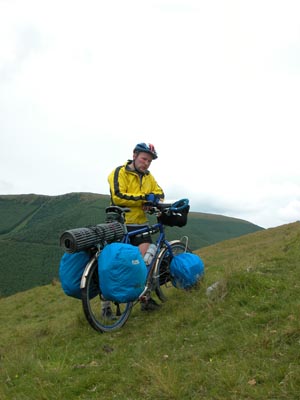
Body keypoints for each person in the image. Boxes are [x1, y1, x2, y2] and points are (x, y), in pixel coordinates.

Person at [102, 142, 165, 315]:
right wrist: (144, 199)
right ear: (135, 155)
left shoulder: (148, 177)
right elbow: (119, 196)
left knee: (147, 261)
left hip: (140, 224)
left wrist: (153, 200)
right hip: (119, 224)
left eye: (149, 161)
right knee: (114, 264)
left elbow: (160, 193)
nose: (146, 163)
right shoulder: (118, 172)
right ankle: (106, 307)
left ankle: (145, 297)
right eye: (144, 159)